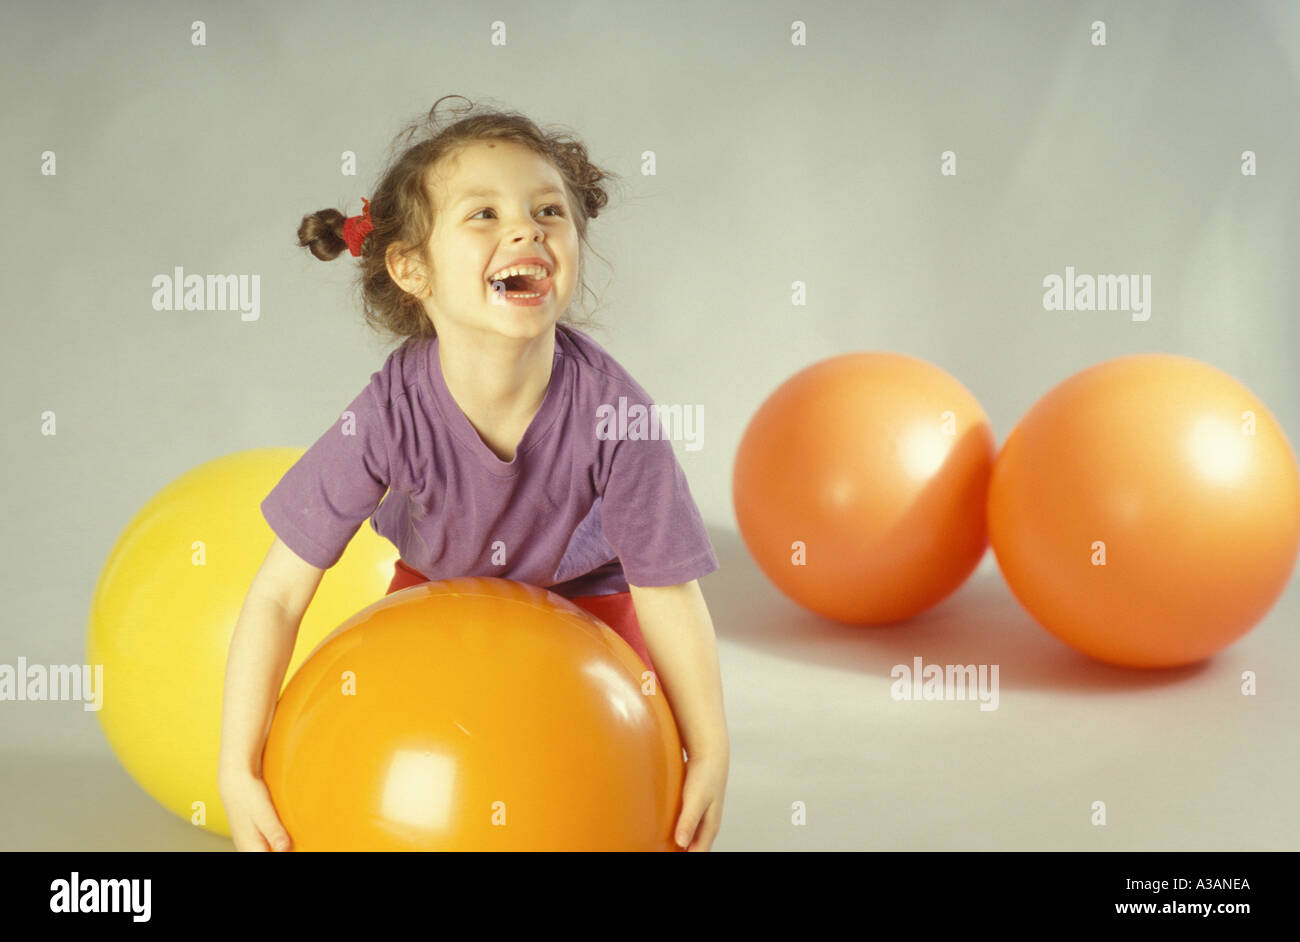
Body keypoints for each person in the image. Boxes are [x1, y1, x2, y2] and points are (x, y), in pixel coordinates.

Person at [217, 96, 729, 852]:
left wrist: (709, 749)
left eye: (547, 211)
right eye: (483, 215)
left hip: (591, 614)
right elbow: (278, 595)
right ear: (411, 268)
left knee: (584, 794)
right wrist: (237, 766)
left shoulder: (616, 413)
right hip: (431, 607)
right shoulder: (390, 413)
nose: (526, 228)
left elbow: (668, 594)